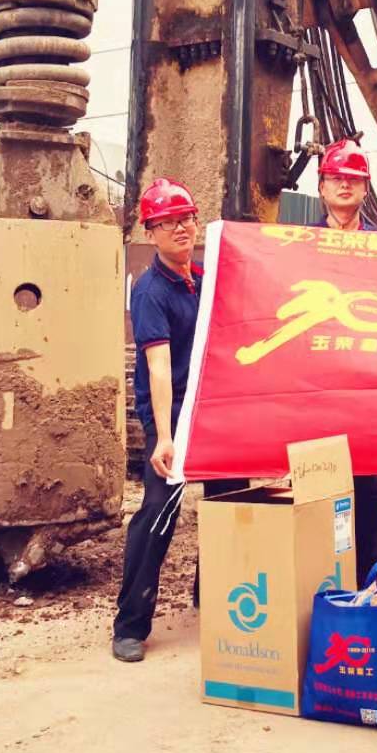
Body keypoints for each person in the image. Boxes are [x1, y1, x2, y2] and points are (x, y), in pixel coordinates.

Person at [112, 178, 248, 663]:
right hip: (172, 417)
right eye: (168, 222)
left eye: (187, 219)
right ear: (151, 232)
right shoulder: (150, 291)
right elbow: (157, 367)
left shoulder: (205, 279)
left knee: (230, 504)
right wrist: (165, 437)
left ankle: (212, 594)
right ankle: (129, 626)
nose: (181, 228)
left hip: (214, 411)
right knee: (158, 513)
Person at [314, 138, 377, 586]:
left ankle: (365, 579)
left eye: (354, 179)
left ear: (365, 188)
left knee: (366, 491)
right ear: (322, 186)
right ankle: (322, 579)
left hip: (365, 388)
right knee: (318, 487)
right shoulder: (298, 244)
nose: (345, 185)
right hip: (318, 386)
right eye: (336, 178)